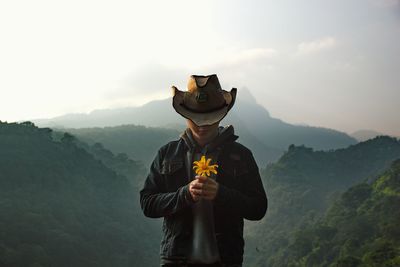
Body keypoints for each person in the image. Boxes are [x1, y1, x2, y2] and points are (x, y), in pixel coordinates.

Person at [140, 74, 268, 267]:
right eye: (196, 118)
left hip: (225, 260)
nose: (202, 125)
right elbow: (147, 204)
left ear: (221, 115)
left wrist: (220, 193)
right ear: (185, 115)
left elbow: (258, 208)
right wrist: (184, 195)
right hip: (176, 260)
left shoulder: (241, 156)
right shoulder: (167, 153)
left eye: (209, 118)